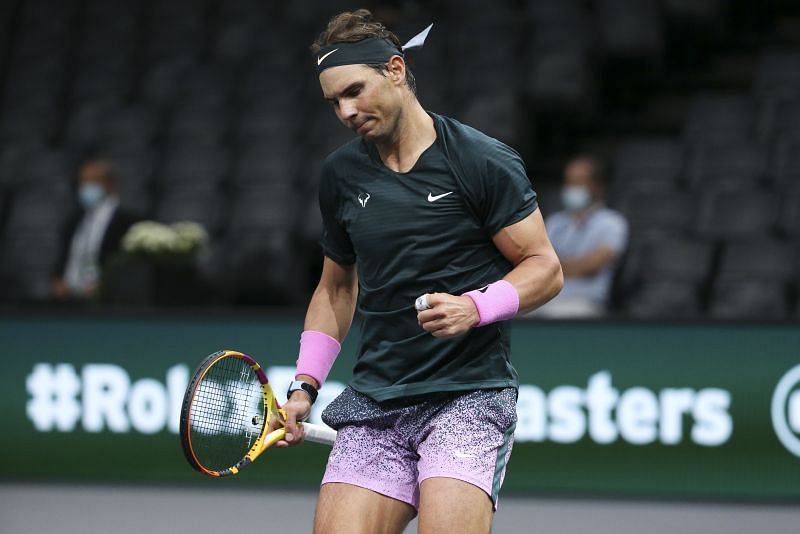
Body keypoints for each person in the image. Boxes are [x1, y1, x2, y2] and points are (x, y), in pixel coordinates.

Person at [273, 10, 563, 534]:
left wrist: (476, 307)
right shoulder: (340, 174)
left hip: (468, 397)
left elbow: (545, 268)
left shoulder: (481, 160)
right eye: (334, 101)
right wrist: (304, 386)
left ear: (396, 70)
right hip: (375, 399)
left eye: (355, 90)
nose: (345, 110)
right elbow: (336, 288)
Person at [533, 155, 629, 318]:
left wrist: (552, 267)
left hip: (586, 302)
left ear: (597, 187)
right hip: (547, 298)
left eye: (578, 183)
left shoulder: (613, 223)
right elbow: (535, 263)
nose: (571, 188)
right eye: (568, 182)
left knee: (556, 315)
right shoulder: (555, 222)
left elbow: (592, 266)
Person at [51, 158, 138, 300]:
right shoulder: (73, 221)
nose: (85, 187)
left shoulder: (128, 222)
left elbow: (129, 266)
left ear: (111, 184)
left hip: (106, 303)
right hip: (68, 300)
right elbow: (63, 258)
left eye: (92, 182)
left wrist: (104, 286)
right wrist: (58, 281)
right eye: (82, 182)